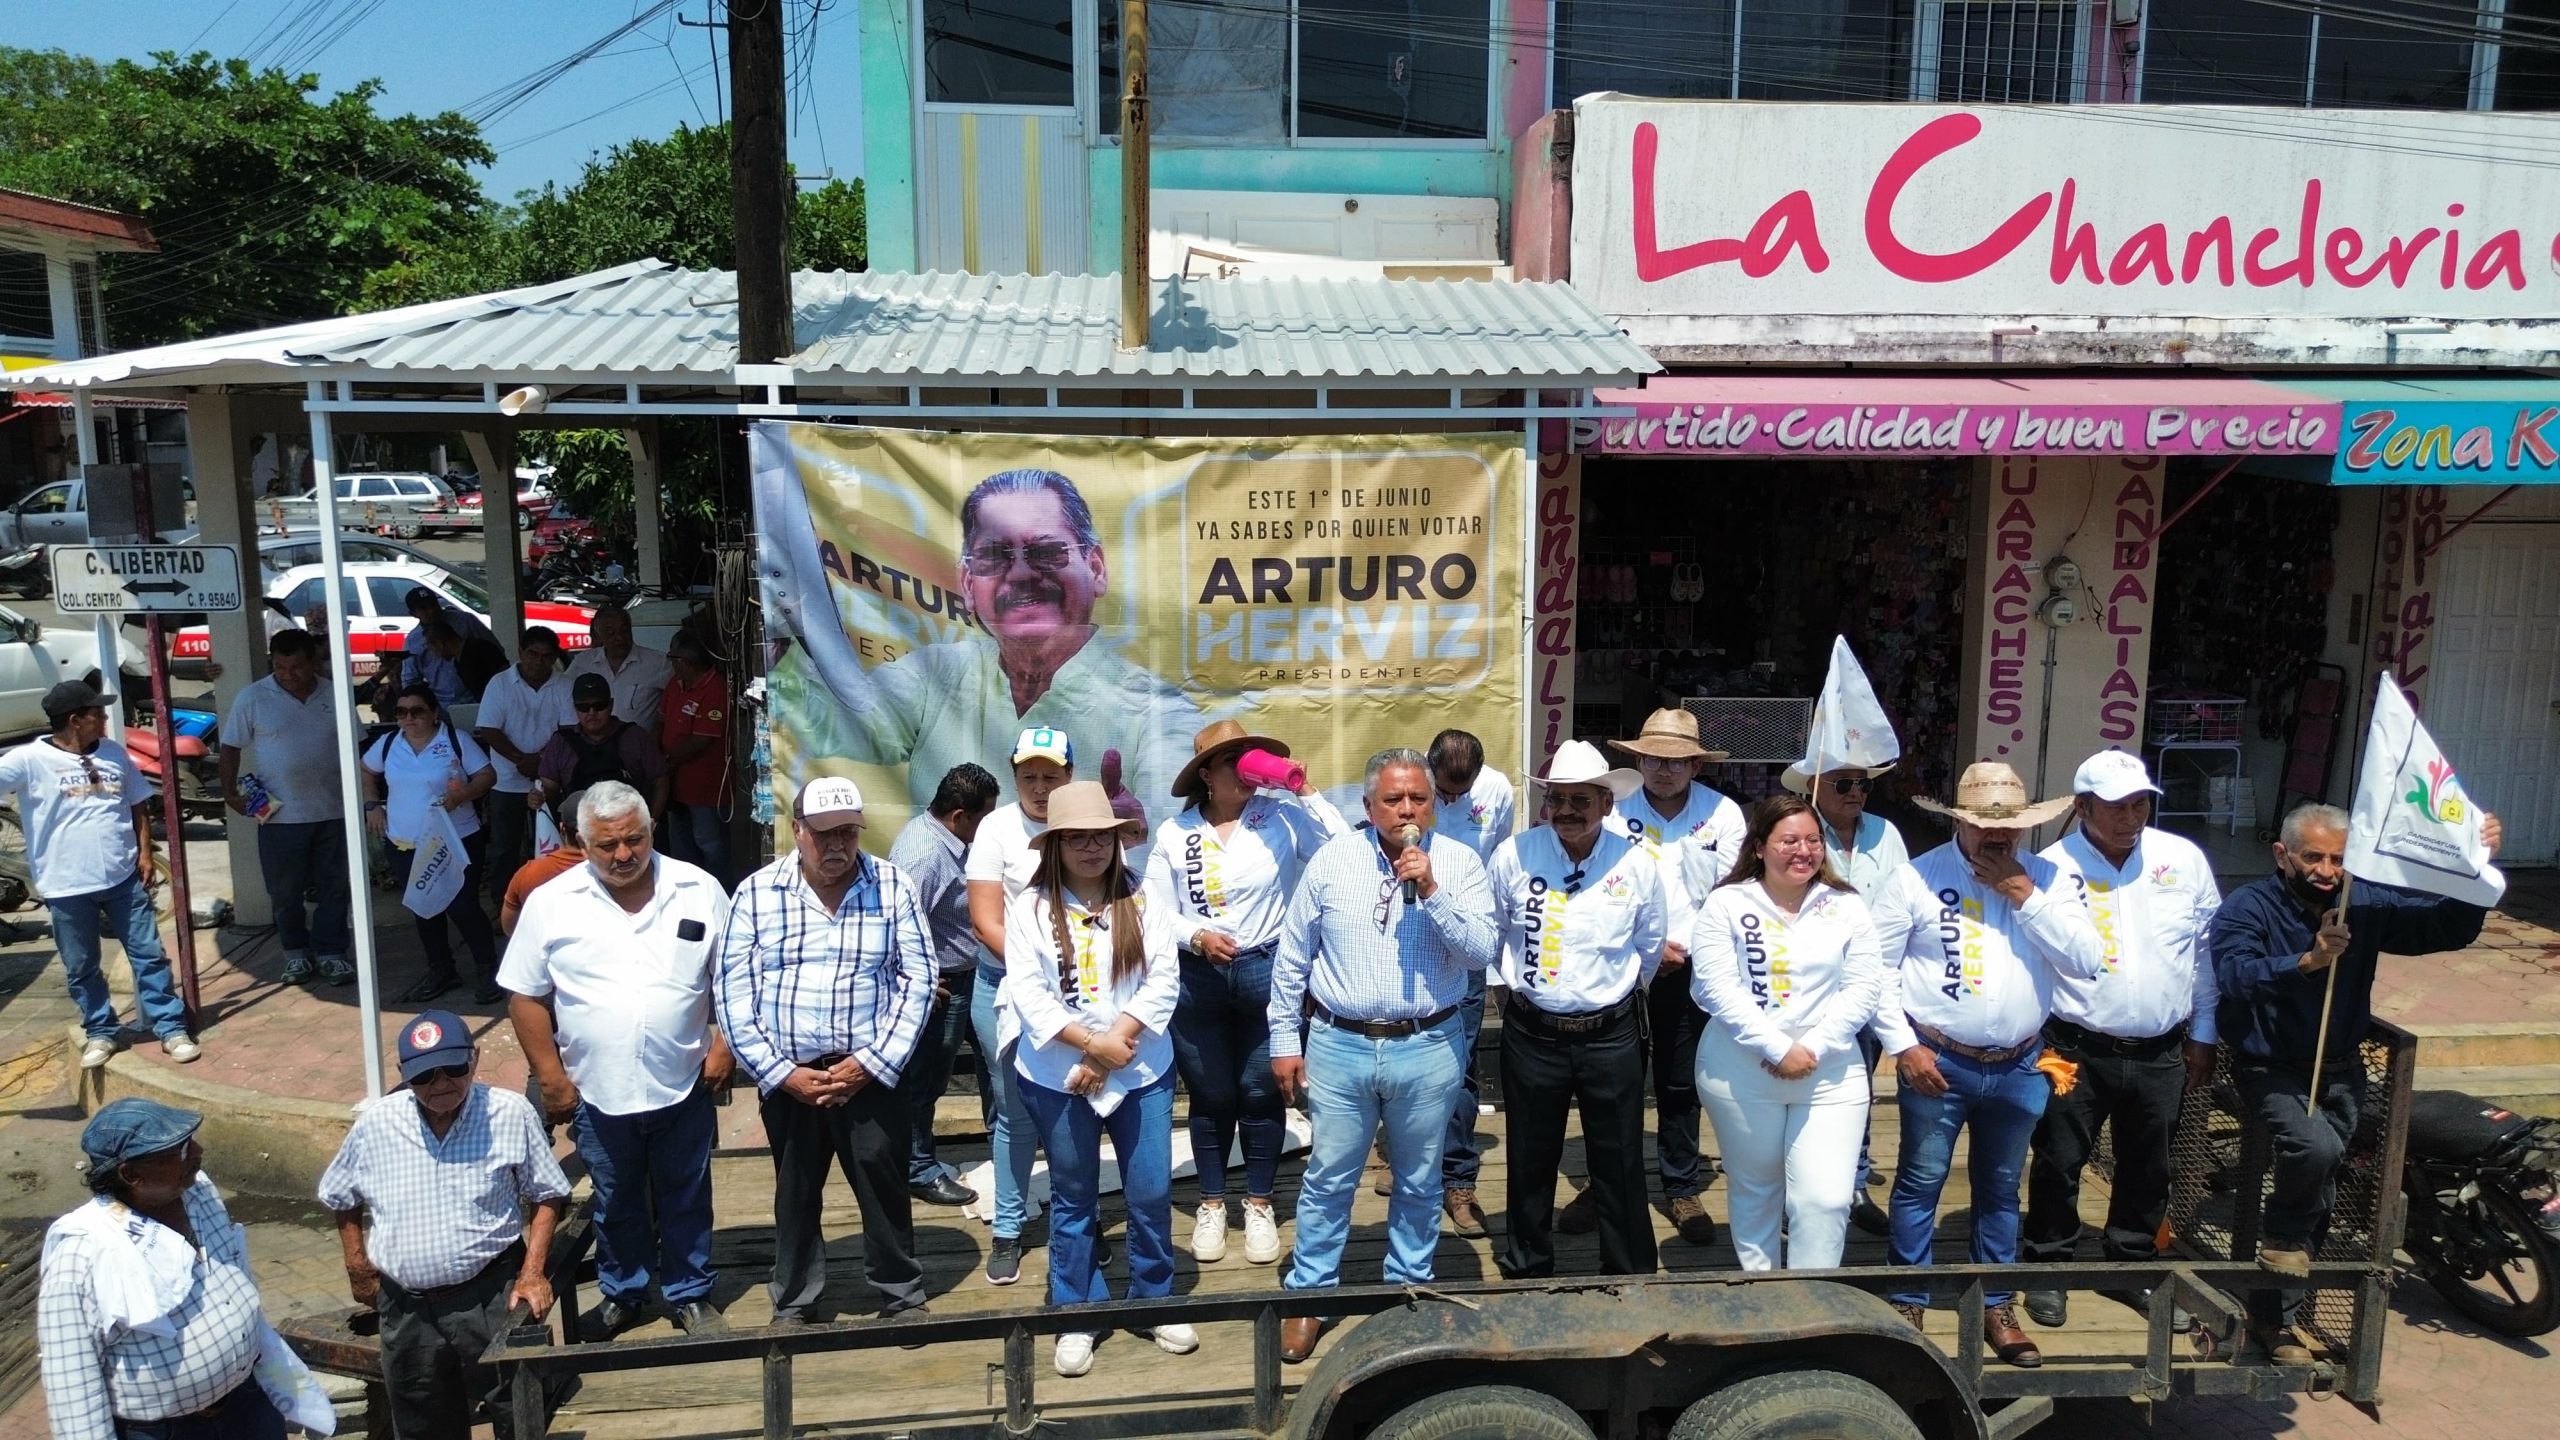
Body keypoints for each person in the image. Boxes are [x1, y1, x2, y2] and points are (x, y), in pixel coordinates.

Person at [2214, 800, 2501, 1363]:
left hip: (2341, 1067)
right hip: (2269, 1067)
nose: (2327, 870)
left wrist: (2477, 868)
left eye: (2339, 859)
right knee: (2313, 1146)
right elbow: (2233, 975)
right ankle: (2284, 1242)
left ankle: (2276, 1320)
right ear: (2282, 854)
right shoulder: (2247, 906)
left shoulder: (2361, 900)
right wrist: (2307, 961)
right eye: (2313, 857)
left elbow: (2442, 927)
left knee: (2324, 1183)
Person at [762, 464, 1201, 816]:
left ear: (1097, 568)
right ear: (968, 585)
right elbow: (829, 723)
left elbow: (1173, 830)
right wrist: (785, 630)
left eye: (1047, 552)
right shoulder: (936, 675)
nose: (1023, 574)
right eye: (994, 557)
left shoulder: (1158, 711)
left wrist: (1131, 832)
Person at [1869, 762, 2105, 1367]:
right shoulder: (1915, 878)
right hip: (1938, 1060)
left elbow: (2086, 960)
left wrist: (2025, 895)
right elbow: (1874, 971)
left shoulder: (2052, 877)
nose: (1997, 838)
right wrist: (1904, 1046)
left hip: (2022, 1063)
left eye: (2010, 827)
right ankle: (1908, 1299)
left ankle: (1996, 1304)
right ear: (1959, 823)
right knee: (1921, 1181)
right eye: (1982, 826)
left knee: (2001, 1187)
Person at [1268, 747, 1498, 1364]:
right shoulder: (1331, 861)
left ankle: (1408, 1291)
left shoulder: (1460, 864)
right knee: (1328, 1177)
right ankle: (1309, 1294)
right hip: (1340, 1043)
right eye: (1392, 800)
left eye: (1417, 798)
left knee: (1420, 1180)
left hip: (1428, 1045)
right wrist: (1285, 1040)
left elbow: (1480, 953)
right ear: (1369, 807)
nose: (1405, 810)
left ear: (1434, 805)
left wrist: (1431, 888)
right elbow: (1293, 958)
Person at [501, 782, 734, 1340]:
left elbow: (732, 978)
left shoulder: (698, 889)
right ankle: (624, 1292)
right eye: (608, 845)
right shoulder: (551, 903)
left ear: (652, 830)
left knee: (687, 1189)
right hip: (596, 1088)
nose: (624, 854)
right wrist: (550, 1076)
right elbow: (524, 996)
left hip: (684, 1080)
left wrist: (723, 1045)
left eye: (635, 839)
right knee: (616, 1197)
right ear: (581, 844)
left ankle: (690, 1292)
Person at [714, 777, 937, 1325]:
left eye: (848, 833)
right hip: (790, 1073)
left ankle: (900, 1292)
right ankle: (794, 1298)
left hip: (868, 1068)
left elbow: (920, 979)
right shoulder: (756, 893)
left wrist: (873, 1063)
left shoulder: (893, 886)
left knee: (881, 1177)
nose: (837, 846)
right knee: (795, 1189)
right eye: (824, 834)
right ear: (797, 832)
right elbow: (731, 992)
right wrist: (779, 1073)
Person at [2021, 751, 2223, 1328]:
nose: (2130, 816)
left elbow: (2204, 954)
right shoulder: (2051, 867)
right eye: (2115, 806)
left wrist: (2204, 1031)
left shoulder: (2183, 859)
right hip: (2074, 1046)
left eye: (2140, 803)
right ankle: (2048, 1267)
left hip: (2162, 1047)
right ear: (2083, 807)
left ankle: (2130, 1266)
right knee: (2059, 1160)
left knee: (2148, 1163)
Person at [1005, 781, 1193, 1375]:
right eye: (1077, 838)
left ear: (1117, 842)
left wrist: (1110, 1052)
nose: (1090, 848)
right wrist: (1090, 1045)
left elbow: (1163, 979)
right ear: (1054, 845)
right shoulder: (1029, 909)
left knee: (1150, 1189)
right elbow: (1030, 996)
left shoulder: (1143, 900)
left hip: (1140, 1069)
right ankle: (1076, 1310)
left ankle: (1153, 1299)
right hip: (1057, 1074)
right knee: (1073, 1194)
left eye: (1101, 837)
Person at [1146, 720, 1347, 1266]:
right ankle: (1212, 1201)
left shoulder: (1280, 817)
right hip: (1198, 977)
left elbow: (1342, 848)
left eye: (1250, 755)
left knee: (1262, 1093)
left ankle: (1259, 1202)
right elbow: (1153, 906)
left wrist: (1301, 788)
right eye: (1233, 759)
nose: (1246, 766)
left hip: (1269, 970)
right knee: (1210, 1097)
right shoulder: (1175, 833)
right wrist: (1196, 935)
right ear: (1207, 775)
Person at [319, 1010, 571, 1440]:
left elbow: (549, 1192)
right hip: (407, 1307)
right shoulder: (376, 1124)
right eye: (424, 1076)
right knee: (421, 1422)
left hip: (489, 1296)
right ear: (404, 1075)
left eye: (453, 1069)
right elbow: (340, 1195)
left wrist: (532, 1272)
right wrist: (357, 1265)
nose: (440, 1085)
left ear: (473, 1059)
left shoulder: (510, 1113)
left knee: (516, 1408)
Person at [1485, 741, 1678, 1279]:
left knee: (1618, 1160)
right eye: (1557, 799)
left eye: (1580, 801)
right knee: (1528, 1157)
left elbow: (1650, 945)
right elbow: (1495, 931)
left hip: (1610, 1034)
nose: (1567, 811)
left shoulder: (1636, 864)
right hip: (1532, 1031)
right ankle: (1527, 1267)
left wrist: (1607, 995)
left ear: (1607, 804)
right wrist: (1514, 992)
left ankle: (1628, 1272)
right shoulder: (1514, 855)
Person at [39, 1100, 315, 1440]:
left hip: (247, 1407)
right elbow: (74, 1390)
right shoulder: (82, 1254)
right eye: (180, 1151)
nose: (198, 1153)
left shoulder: (199, 1191)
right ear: (131, 1174)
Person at [1691, 794, 1885, 1271]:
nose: (1804, 851)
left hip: (1830, 1072)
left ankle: (1813, 1297)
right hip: (1740, 1072)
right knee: (1756, 1190)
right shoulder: (1727, 903)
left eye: (1813, 840)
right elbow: (1713, 985)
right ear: (1759, 846)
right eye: (1789, 840)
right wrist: (1776, 1047)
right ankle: (1764, 1294)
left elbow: (1864, 987)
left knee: (1825, 1198)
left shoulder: (1846, 906)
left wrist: (1810, 1048)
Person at [1598, 706, 1747, 1246]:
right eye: (1655, 759)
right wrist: (1648, 948)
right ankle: (1610, 1180)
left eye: (1678, 761)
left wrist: (1689, 948)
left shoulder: (1724, 814)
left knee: (1680, 1082)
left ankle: (1680, 1183)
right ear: (1638, 759)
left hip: (1695, 968)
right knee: (1614, 1080)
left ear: (1696, 765)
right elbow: (1601, 886)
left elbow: (1732, 895)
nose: (1665, 769)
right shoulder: (1612, 812)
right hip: (1622, 965)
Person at [0, 682, 194, 1067]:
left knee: (149, 955)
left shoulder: (113, 753)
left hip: (123, 880)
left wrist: (143, 853)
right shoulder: (26, 760)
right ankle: (101, 1031)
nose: (105, 719)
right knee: (82, 965)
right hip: (65, 886)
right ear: (75, 721)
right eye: (98, 714)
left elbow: (138, 804)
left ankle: (171, 1027)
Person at [963, 728, 1084, 1284]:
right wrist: (1037, 970)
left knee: (1073, 1109)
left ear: (1069, 776)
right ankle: (1008, 1228)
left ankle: (1074, 1224)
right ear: (1014, 777)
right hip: (1005, 990)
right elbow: (986, 919)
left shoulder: (1086, 822)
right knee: (1015, 1112)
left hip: (1081, 992)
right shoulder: (996, 827)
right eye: (1029, 776)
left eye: (1051, 776)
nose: (1040, 787)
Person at [1783, 757, 1911, 1236]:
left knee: (1859, 1089)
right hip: (1809, 983)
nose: (1856, 792)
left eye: (1863, 784)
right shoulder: (1798, 831)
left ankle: (1853, 1183)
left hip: (1869, 981)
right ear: (1815, 785)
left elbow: (1905, 897)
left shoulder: (1887, 834)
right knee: (1797, 1088)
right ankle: (1791, 1188)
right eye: (1843, 783)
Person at [888, 762, 1002, 1209]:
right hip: (942, 986)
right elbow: (894, 920)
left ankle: (1002, 1149)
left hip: (972, 975)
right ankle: (917, 1167)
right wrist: (914, 977)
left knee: (998, 1063)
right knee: (926, 1080)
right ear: (959, 817)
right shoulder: (925, 855)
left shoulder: (948, 840)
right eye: (983, 817)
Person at [217, 628, 353, 987]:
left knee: (335, 888)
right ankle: (295, 954)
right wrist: (231, 794)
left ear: (313, 662)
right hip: (279, 817)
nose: (289, 674)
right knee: (284, 892)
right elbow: (230, 746)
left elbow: (358, 745)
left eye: (296, 667)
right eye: (280, 667)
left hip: (335, 812)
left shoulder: (335, 694)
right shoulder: (253, 697)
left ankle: (332, 953)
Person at [364, 682, 505, 1005]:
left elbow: (487, 775)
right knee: (424, 907)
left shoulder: (456, 741)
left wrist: (463, 795)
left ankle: (487, 968)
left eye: (417, 711)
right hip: (406, 842)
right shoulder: (388, 744)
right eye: (401, 712)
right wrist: (372, 805)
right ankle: (440, 968)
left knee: (463, 906)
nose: (408, 718)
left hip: (456, 838)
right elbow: (365, 770)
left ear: (433, 712)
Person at [1423, 728, 1512, 1238]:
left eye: (1462, 792)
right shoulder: (1414, 783)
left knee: (1460, 1061)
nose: (1452, 800)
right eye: (1445, 792)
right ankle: (1404, 1156)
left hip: (1469, 943)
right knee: (1402, 1053)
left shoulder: (1497, 789)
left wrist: (1497, 958)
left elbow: (1499, 862)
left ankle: (1459, 1179)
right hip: (1412, 935)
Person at [475, 626, 575, 904]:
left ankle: (555, 904)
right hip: (507, 780)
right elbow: (489, 730)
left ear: (554, 656)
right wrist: (522, 760)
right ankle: (503, 906)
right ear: (520, 652)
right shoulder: (499, 683)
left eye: (545, 656)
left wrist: (542, 761)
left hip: (551, 781)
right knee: (504, 849)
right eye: (532, 654)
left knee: (552, 846)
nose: (538, 661)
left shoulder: (564, 684)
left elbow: (568, 731)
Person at [536, 673, 668, 821]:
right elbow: (549, 788)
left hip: (629, 830)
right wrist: (538, 797)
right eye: (583, 707)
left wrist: (652, 822)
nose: (592, 713)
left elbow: (660, 780)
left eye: (599, 705)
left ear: (611, 704)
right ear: (575, 708)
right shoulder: (560, 742)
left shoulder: (635, 736)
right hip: (580, 831)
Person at [657, 632, 731, 881]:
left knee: (710, 846)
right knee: (681, 848)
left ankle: (720, 893)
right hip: (674, 785)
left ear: (685, 662)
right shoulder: (674, 684)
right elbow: (662, 720)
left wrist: (668, 761)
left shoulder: (715, 688)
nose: (671, 663)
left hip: (705, 787)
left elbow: (702, 738)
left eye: (673, 658)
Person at [566, 604, 673, 727]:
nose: (619, 638)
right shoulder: (583, 661)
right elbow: (565, 694)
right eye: (611, 633)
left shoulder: (658, 662)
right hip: (596, 744)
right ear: (599, 635)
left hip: (639, 744)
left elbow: (680, 696)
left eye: (624, 631)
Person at [398, 587, 497, 706]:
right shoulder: (413, 640)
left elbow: (494, 650)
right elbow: (410, 679)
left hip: (480, 697)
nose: (431, 610)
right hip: (441, 704)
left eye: (433, 604)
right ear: (413, 613)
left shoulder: (465, 620)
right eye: (424, 608)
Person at [423, 616, 509, 704]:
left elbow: (505, 676)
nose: (436, 655)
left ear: (440, 644)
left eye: (434, 650)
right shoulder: (458, 663)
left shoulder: (480, 648)